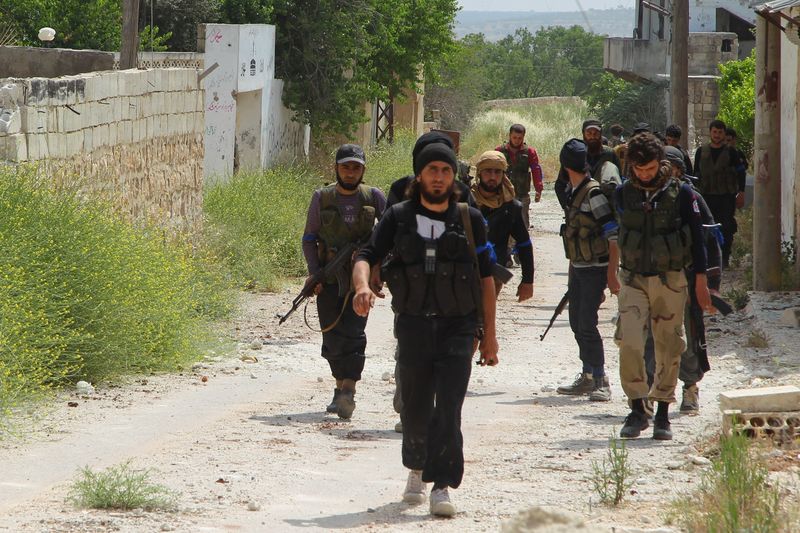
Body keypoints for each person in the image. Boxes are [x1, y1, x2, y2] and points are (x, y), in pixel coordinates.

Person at [352, 141, 499, 518]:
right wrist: (363, 286)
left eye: (446, 171)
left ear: (454, 177)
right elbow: (366, 254)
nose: (439, 177)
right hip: (414, 325)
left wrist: (490, 336)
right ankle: (416, 470)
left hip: (459, 326)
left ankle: (442, 484)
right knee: (415, 409)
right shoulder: (399, 217)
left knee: (449, 407)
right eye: (432, 170)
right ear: (419, 175)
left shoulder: (470, 219)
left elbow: (486, 278)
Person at [612, 132, 713, 440]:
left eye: (650, 168)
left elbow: (698, 240)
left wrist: (702, 282)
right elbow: (618, 235)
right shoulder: (623, 193)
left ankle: (663, 412)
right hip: (633, 278)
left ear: (660, 164)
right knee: (629, 341)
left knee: (669, 345)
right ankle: (637, 407)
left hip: (670, 279)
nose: (645, 175)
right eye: (639, 169)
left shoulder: (682, 194)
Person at [301, 144, 386, 419]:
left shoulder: (374, 197)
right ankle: (340, 388)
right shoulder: (322, 197)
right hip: (329, 277)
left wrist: (378, 271)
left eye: (356, 167)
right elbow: (309, 238)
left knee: (354, 332)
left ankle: (349, 388)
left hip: (360, 281)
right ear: (336, 168)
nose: (350, 172)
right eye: (345, 167)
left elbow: (389, 237)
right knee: (331, 333)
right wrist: (315, 272)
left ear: (363, 169)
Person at [639, 146, 723, 414]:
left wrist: (711, 284)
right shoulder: (645, 198)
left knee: (686, 335)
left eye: (671, 167)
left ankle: (690, 388)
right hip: (652, 280)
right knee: (651, 337)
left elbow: (710, 241)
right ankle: (654, 389)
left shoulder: (691, 197)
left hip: (685, 279)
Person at [555, 139, 620, 402]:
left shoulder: (592, 194)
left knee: (587, 323)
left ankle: (601, 379)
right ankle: (587, 374)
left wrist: (611, 275)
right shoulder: (574, 191)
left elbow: (613, 234)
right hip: (579, 268)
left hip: (595, 270)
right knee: (576, 322)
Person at [470, 150, 535, 299]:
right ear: (479, 173)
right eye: (488, 171)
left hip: (493, 274)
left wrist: (527, 281)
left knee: (484, 318)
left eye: (497, 172)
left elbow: (524, 244)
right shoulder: (466, 201)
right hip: (465, 271)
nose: (493, 177)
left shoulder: (511, 207)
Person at [693, 119, 746, 268]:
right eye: (714, 132)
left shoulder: (732, 152)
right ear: (710, 132)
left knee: (726, 226)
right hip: (706, 196)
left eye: (720, 132)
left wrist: (741, 192)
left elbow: (741, 173)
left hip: (726, 197)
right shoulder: (701, 151)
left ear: (724, 134)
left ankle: (724, 258)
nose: (717, 135)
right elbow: (696, 174)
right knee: (706, 226)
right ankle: (709, 258)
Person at [556, 120, 621, 209]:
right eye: (589, 133)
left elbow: (619, 180)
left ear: (600, 134)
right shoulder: (576, 154)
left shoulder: (609, 154)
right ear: (583, 134)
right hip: (580, 207)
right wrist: (567, 205)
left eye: (596, 133)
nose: (592, 137)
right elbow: (560, 184)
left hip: (605, 206)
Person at [496, 124, 544, 229]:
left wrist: (538, 189)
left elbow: (536, 170)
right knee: (504, 224)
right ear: (509, 136)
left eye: (520, 138)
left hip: (522, 193)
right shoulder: (499, 151)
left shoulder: (530, 152)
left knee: (522, 223)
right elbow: (493, 170)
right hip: (504, 193)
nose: (517, 140)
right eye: (514, 137)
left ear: (523, 137)